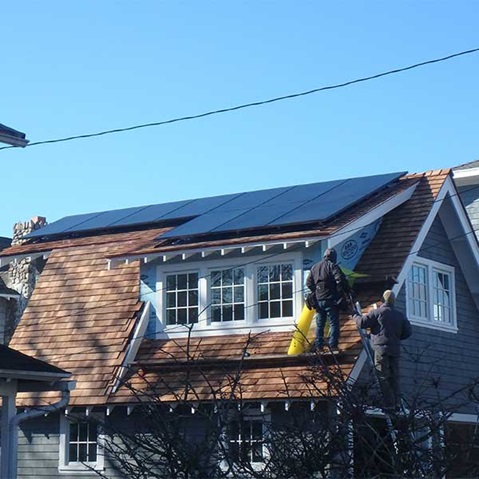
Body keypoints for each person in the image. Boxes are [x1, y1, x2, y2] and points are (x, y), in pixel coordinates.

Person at [354, 290, 412, 410]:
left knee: (382, 376)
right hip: (395, 350)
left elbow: (362, 323)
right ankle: (396, 403)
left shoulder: (378, 312)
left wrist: (355, 315)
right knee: (394, 377)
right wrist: (396, 337)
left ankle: (389, 403)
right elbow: (408, 332)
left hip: (381, 349)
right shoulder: (400, 315)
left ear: (383, 300)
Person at [306, 247, 350, 353]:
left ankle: (319, 346)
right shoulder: (332, 266)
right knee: (333, 323)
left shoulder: (315, 267)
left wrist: (317, 291)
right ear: (333, 257)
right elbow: (340, 279)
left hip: (319, 299)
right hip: (330, 299)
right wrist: (342, 292)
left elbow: (308, 283)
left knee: (320, 324)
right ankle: (333, 345)